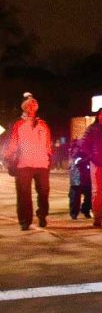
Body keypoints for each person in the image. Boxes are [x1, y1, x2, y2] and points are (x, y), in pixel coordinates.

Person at [3, 93, 53, 230]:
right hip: (23, 164)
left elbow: (48, 144)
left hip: (41, 164)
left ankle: (42, 214)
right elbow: (12, 143)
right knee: (24, 194)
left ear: (36, 107)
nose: (31, 107)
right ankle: (25, 220)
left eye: (33, 105)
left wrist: (49, 158)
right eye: (28, 105)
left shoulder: (43, 125)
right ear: (24, 108)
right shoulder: (18, 124)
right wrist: (8, 158)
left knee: (44, 192)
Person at [68, 140, 92, 219]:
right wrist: (88, 158)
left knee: (88, 196)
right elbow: (77, 162)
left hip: (86, 177)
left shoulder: (87, 149)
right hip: (77, 178)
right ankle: (74, 213)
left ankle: (85, 211)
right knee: (75, 197)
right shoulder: (76, 150)